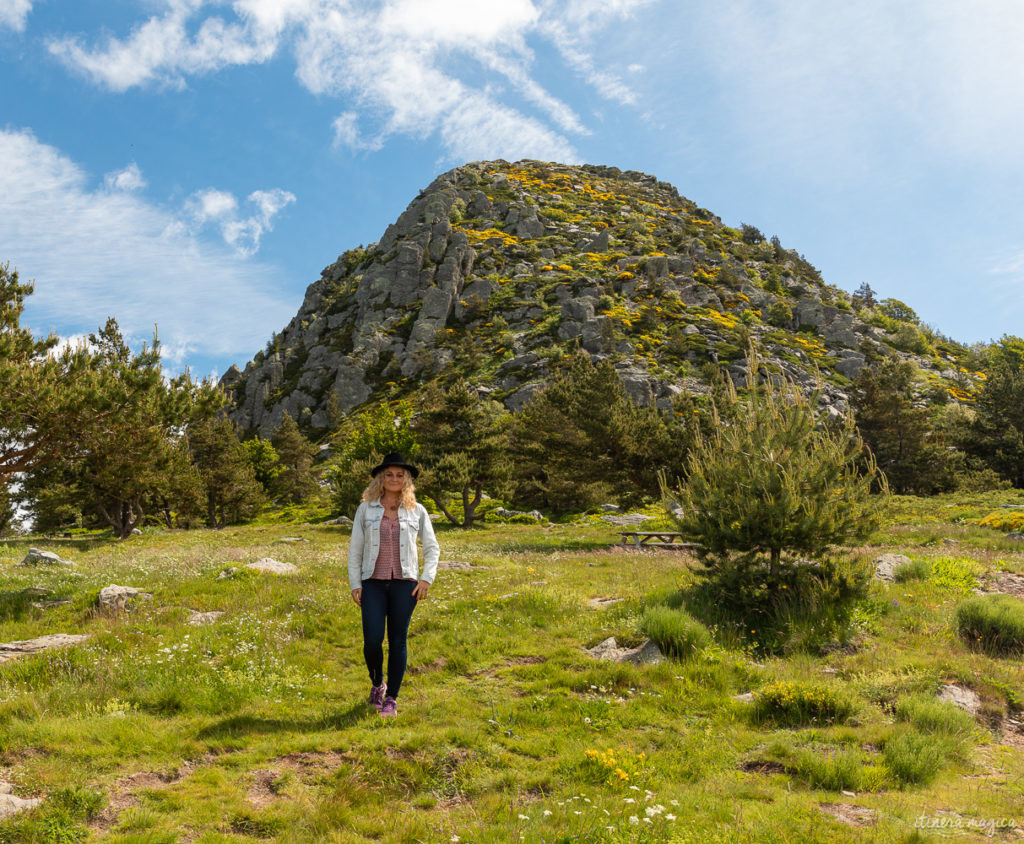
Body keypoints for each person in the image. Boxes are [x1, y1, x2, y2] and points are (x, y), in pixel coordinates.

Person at [348, 452, 439, 717]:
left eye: (400, 475)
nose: (394, 479)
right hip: (372, 584)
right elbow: (355, 549)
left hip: (405, 584)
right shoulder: (366, 509)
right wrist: (356, 583)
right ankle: (377, 683)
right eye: (389, 474)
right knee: (372, 641)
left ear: (406, 479)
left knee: (398, 640)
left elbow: (432, 548)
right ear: (381, 477)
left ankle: (392, 699)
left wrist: (426, 578)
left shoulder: (416, 510)